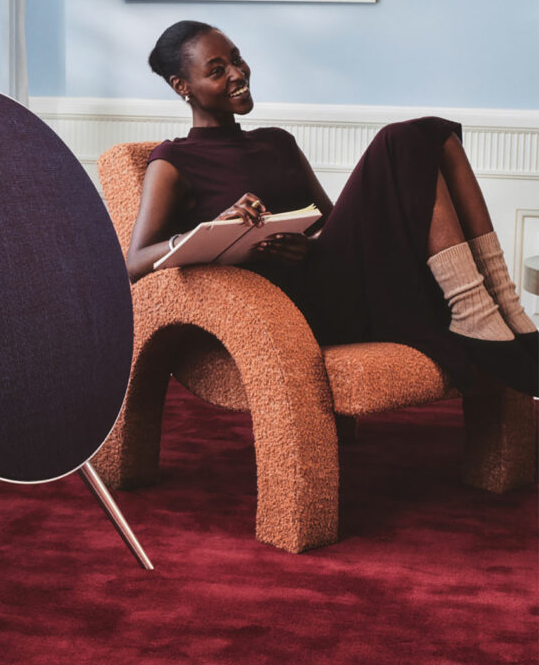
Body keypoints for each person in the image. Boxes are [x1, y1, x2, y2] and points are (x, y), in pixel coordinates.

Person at [127, 20, 538, 398]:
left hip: (335, 277)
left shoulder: (277, 141)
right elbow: (135, 263)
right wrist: (211, 230)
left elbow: (330, 221)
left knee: (432, 135)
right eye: (217, 70)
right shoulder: (173, 160)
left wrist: (307, 245)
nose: (237, 74)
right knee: (400, 140)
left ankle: (498, 304)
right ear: (183, 86)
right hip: (287, 314)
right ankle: (474, 314)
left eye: (236, 59)